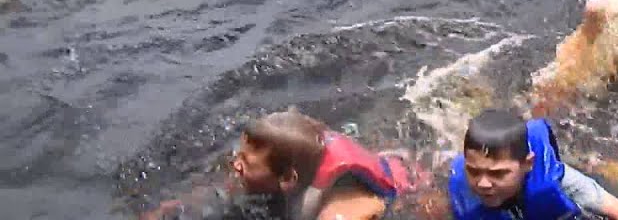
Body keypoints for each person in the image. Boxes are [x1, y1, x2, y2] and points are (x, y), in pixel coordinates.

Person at [141, 109, 425, 220]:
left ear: (288, 178)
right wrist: (171, 210)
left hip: (409, 192)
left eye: (245, 162)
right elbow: (219, 194)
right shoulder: (273, 169)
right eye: (239, 154)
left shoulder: (340, 209)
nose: (235, 164)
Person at [447, 109, 618, 220]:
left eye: (498, 174)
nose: (483, 184)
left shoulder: (559, 180)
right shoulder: (461, 191)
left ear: (528, 164)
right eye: (473, 171)